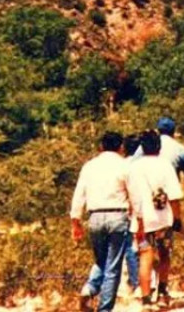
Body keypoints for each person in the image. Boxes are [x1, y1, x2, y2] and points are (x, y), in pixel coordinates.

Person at [70, 131, 133, 312]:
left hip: (95, 217)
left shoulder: (89, 166)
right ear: (121, 147)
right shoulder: (124, 166)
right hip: (117, 216)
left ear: (101, 146)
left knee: (101, 260)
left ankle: (89, 289)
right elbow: (134, 194)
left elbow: (79, 194)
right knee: (113, 267)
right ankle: (104, 309)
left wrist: (75, 221)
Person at [129, 129, 184, 306]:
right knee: (164, 254)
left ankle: (146, 299)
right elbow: (174, 195)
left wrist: (137, 218)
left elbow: (133, 196)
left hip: (143, 220)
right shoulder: (165, 165)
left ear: (142, 147)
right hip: (163, 219)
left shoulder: (135, 167)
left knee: (146, 257)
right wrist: (177, 218)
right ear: (159, 147)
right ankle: (162, 291)